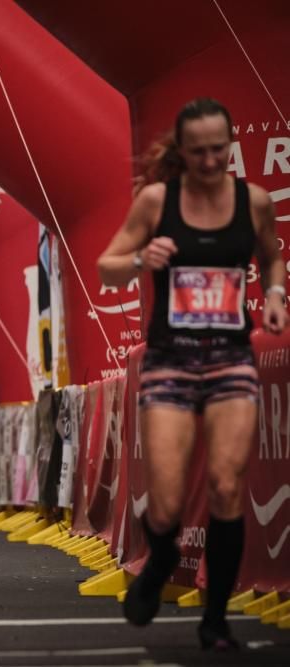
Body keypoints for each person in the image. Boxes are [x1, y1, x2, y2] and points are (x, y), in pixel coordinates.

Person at [97, 98, 287, 651]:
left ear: (230, 146)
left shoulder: (252, 202)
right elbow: (107, 265)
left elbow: (271, 256)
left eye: (219, 150)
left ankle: (216, 620)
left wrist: (273, 294)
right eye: (199, 152)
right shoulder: (157, 201)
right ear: (182, 152)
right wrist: (140, 260)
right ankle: (159, 560)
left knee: (228, 486)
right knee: (168, 499)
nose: (210, 162)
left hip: (230, 359)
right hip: (170, 362)